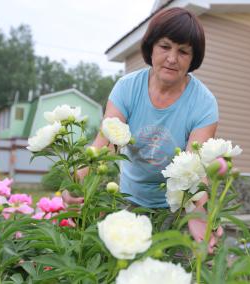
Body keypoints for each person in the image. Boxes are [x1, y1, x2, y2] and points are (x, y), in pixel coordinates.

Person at [69, 7, 222, 252]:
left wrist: (199, 216)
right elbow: (104, 144)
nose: (172, 58)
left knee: (177, 268)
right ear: (151, 47)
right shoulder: (127, 88)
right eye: (165, 46)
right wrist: (74, 186)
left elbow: (195, 169)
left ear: (193, 59)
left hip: (178, 205)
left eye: (183, 51)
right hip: (129, 200)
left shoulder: (204, 104)